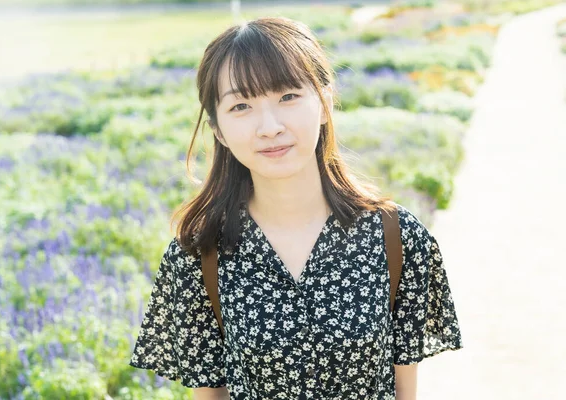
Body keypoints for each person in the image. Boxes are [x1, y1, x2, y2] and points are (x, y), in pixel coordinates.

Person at [129, 16, 463, 400]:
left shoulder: (396, 237)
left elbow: (406, 392)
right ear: (218, 129)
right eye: (241, 106)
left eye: (287, 97)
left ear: (324, 102)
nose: (269, 127)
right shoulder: (198, 255)